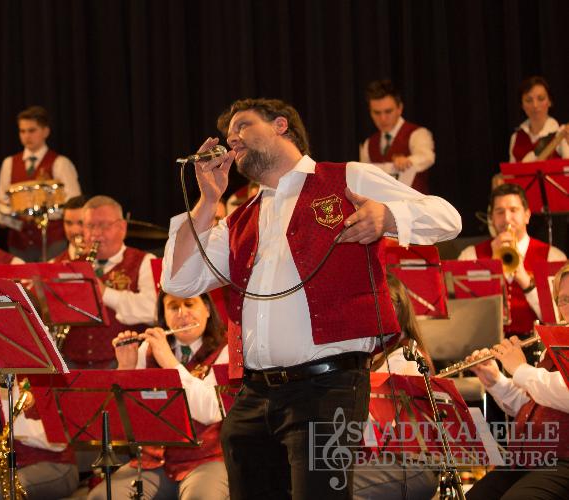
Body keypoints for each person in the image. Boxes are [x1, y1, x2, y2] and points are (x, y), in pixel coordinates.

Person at [162, 98, 461, 499]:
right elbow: (178, 280)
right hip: (254, 395)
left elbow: (448, 218)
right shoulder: (240, 218)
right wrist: (208, 200)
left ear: (281, 125)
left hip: (327, 388)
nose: (231, 139)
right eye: (228, 135)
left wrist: (387, 217)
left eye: (242, 126)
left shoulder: (347, 177)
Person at [88, 292, 230, 500]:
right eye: (173, 306)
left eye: (189, 304)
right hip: (153, 462)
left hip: (206, 461)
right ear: (164, 314)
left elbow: (211, 411)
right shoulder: (147, 349)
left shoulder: (226, 350)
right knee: (102, 497)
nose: (182, 313)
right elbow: (119, 417)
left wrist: (170, 363)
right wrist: (125, 369)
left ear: (207, 309)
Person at [464, 261, 569, 499]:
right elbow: (532, 406)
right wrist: (496, 381)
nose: (568, 307)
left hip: (563, 461)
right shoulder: (555, 346)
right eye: (563, 300)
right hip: (526, 461)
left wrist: (520, 369)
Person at [352, 274, 438, 500]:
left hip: (408, 463)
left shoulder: (406, 359)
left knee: (332, 488)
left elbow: (384, 427)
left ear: (397, 310)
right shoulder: (377, 356)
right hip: (385, 459)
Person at [61, 195, 158, 369]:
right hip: (72, 364)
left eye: (103, 225)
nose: (95, 234)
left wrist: (104, 292)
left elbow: (152, 310)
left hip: (124, 364)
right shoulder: (70, 266)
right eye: (90, 226)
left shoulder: (144, 261)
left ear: (122, 227)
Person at [458, 183, 566, 337]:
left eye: (513, 210)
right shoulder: (470, 256)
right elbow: (463, 317)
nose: (507, 219)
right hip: (486, 344)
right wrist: (491, 268)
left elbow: (558, 320)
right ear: (491, 218)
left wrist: (526, 282)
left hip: (534, 345)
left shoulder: (553, 257)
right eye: (500, 212)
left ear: (527, 215)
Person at [0, 378, 79, 500]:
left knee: (1, 493)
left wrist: (20, 415)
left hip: (53, 462)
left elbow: (59, 444)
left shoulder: (40, 376)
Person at [0, 106, 82, 262]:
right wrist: (15, 216)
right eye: (22, 131)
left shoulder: (60, 163)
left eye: (32, 130)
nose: (26, 136)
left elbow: (74, 204)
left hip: (53, 241)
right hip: (19, 241)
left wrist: (40, 214)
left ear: (45, 131)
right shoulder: (9, 163)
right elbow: (2, 203)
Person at [359, 80, 435, 194]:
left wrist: (409, 161)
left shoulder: (417, 133)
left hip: (413, 203)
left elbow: (427, 156)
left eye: (388, 111)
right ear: (370, 112)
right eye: (377, 113)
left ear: (400, 108)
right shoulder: (368, 143)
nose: (383, 118)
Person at [509, 76, 569, 163]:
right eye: (528, 100)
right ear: (522, 105)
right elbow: (512, 170)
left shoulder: (561, 133)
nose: (535, 105)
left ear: (550, 101)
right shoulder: (516, 137)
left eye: (541, 99)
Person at [50, 195, 87, 262]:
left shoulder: (104, 262)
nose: (75, 231)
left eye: (81, 223)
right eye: (69, 223)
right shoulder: (53, 264)